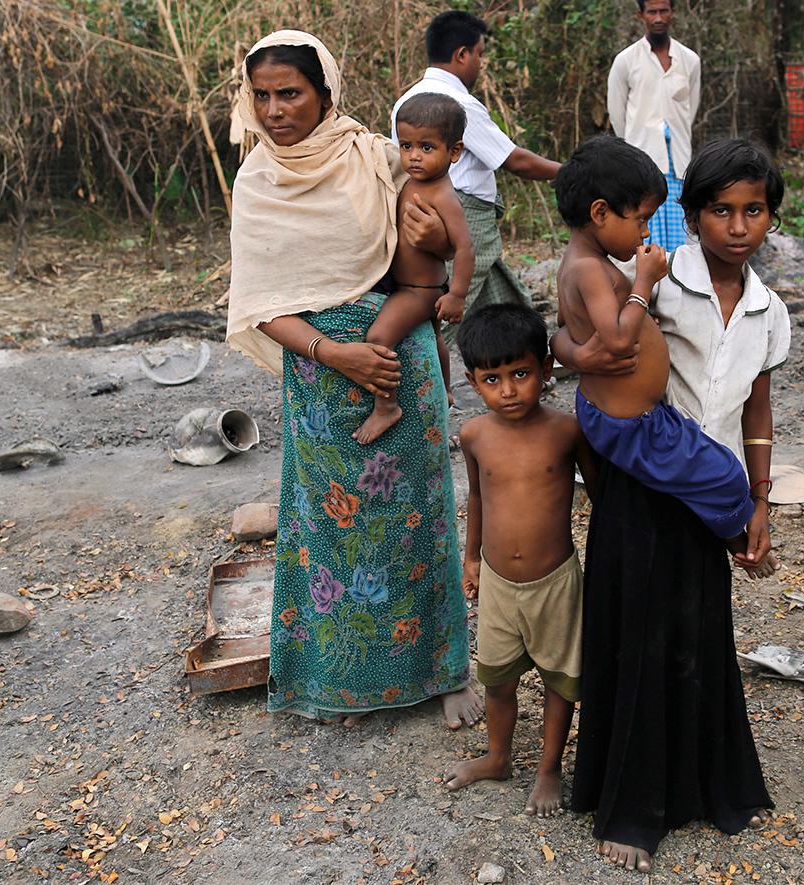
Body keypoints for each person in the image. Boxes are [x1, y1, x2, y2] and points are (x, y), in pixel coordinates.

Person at [225, 30, 483, 730]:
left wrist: (430, 249)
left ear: (327, 92)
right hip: (320, 377)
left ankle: (444, 670)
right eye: (264, 95)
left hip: (402, 359)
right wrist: (335, 355)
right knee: (334, 539)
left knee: (418, 523)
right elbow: (257, 302)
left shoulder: (374, 156)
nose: (276, 109)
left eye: (291, 93)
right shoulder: (258, 182)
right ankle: (341, 682)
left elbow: (433, 247)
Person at [557, 137, 786, 873]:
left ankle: (704, 783)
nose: (739, 225)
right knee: (640, 628)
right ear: (688, 217)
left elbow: (757, 408)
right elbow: (576, 331)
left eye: (755, 210)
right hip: (643, 477)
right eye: (722, 209)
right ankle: (629, 802)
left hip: (705, 475)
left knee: (698, 628)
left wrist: (758, 498)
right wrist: (569, 349)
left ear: (771, 218)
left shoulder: (767, 309)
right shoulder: (648, 275)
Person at [554, 135, 755, 546]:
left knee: (704, 471)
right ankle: (735, 540)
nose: (645, 231)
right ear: (600, 213)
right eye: (641, 219)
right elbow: (618, 339)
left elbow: (562, 327)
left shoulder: (583, 263)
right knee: (728, 476)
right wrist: (643, 281)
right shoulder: (590, 269)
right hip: (634, 425)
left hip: (630, 415)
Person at [444, 304, 597, 817]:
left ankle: (550, 767)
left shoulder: (567, 432)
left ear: (546, 370)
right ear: (472, 381)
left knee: (560, 679)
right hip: (498, 581)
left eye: (521, 374)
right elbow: (478, 498)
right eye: (492, 379)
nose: (508, 390)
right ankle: (499, 756)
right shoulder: (474, 436)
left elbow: (602, 500)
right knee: (498, 680)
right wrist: (470, 558)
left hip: (555, 581)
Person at [390, 10, 560, 334]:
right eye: (479, 54)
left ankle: (535, 361)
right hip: (463, 213)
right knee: (448, 309)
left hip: (425, 206)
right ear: (462, 54)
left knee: (506, 303)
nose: (480, 64)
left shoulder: (407, 101)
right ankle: (421, 375)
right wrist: (570, 172)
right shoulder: (458, 104)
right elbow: (514, 160)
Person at [354, 92, 475, 444]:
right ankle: (446, 392)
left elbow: (465, 247)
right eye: (406, 146)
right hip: (408, 285)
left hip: (418, 291)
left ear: (454, 152)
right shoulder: (412, 182)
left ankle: (386, 406)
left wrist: (457, 295)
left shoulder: (442, 193)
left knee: (378, 338)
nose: (414, 156)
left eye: (426, 147)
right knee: (434, 338)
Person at [608, 0, 700, 252]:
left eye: (663, 11)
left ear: (672, 13)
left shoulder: (689, 60)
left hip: (679, 162)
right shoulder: (626, 60)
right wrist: (632, 149)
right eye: (652, 12)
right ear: (641, 15)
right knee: (646, 226)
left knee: (681, 231)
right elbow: (617, 114)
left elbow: (690, 109)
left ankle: (678, 278)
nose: (658, 18)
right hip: (643, 160)